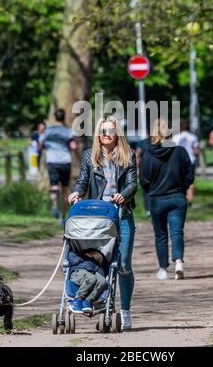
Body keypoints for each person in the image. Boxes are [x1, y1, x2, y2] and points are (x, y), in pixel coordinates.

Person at [68, 115, 137, 330]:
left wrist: (123, 195)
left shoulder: (128, 154)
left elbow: (134, 183)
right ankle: (99, 301)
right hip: (98, 220)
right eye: (102, 130)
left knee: (123, 265)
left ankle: (124, 310)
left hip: (122, 215)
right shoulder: (90, 156)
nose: (105, 134)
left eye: (110, 131)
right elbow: (82, 181)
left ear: (118, 134)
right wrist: (77, 193)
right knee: (100, 263)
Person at [139, 118, 194, 281]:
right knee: (177, 232)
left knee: (160, 235)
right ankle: (178, 262)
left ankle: (163, 269)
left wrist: (151, 191)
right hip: (178, 197)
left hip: (156, 200)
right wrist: (183, 187)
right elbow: (189, 175)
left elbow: (144, 180)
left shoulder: (148, 155)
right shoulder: (180, 151)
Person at [39, 108, 77, 223]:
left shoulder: (48, 131)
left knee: (54, 185)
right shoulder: (68, 131)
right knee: (65, 188)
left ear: (55, 117)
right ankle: (63, 216)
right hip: (65, 161)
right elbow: (73, 146)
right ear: (64, 117)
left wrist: (48, 147)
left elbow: (40, 146)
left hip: (52, 161)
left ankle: (54, 205)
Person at [68, 248, 107, 314]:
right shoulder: (80, 259)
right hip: (79, 272)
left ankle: (87, 301)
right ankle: (77, 300)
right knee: (91, 278)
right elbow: (71, 256)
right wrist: (83, 258)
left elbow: (102, 276)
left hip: (92, 274)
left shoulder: (98, 267)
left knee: (102, 281)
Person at [173, 119, 200, 204]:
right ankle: (190, 199)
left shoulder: (176, 137)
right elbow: (196, 151)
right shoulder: (193, 137)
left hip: (178, 162)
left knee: (179, 180)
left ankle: (181, 197)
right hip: (190, 161)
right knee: (190, 180)